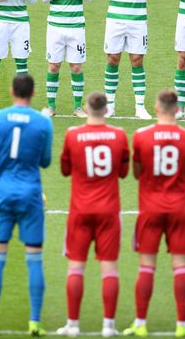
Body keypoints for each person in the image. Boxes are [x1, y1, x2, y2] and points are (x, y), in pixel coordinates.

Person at [124, 90, 185, 338]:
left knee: (146, 267)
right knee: (180, 267)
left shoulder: (141, 136)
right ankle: (182, 325)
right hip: (179, 209)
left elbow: (136, 172)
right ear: (177, 109)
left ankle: (140, 323)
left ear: (157, 108)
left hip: (150, 209)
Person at [0, 74, 54, 336]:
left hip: (2, 193)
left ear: (12, 91)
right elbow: (45, 161)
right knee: (34, 258)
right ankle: (35, 321)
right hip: (31, 194)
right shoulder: (43, 122)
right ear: (33, 93)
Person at [57, 92, 130, 337]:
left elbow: (65, 170)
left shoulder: (73, 135)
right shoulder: (119, 135)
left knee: (76, 267)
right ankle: (108, 326)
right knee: (109, 269)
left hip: (80, 210)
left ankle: (72, 325)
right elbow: (123, 172)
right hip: (109, 210)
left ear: (87, 109)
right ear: (106, 110)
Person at [101, 0, 157, 119]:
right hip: (115, 19)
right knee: (112, 59)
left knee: (137, 60)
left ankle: (140, 107)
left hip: (137, 20)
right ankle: (110, 106)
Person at [41, 0, 93, 118]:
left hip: (76, 28)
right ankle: (51, 107)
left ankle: (78, 107)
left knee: (76, 67)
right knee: (53, 66)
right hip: (55, 27)